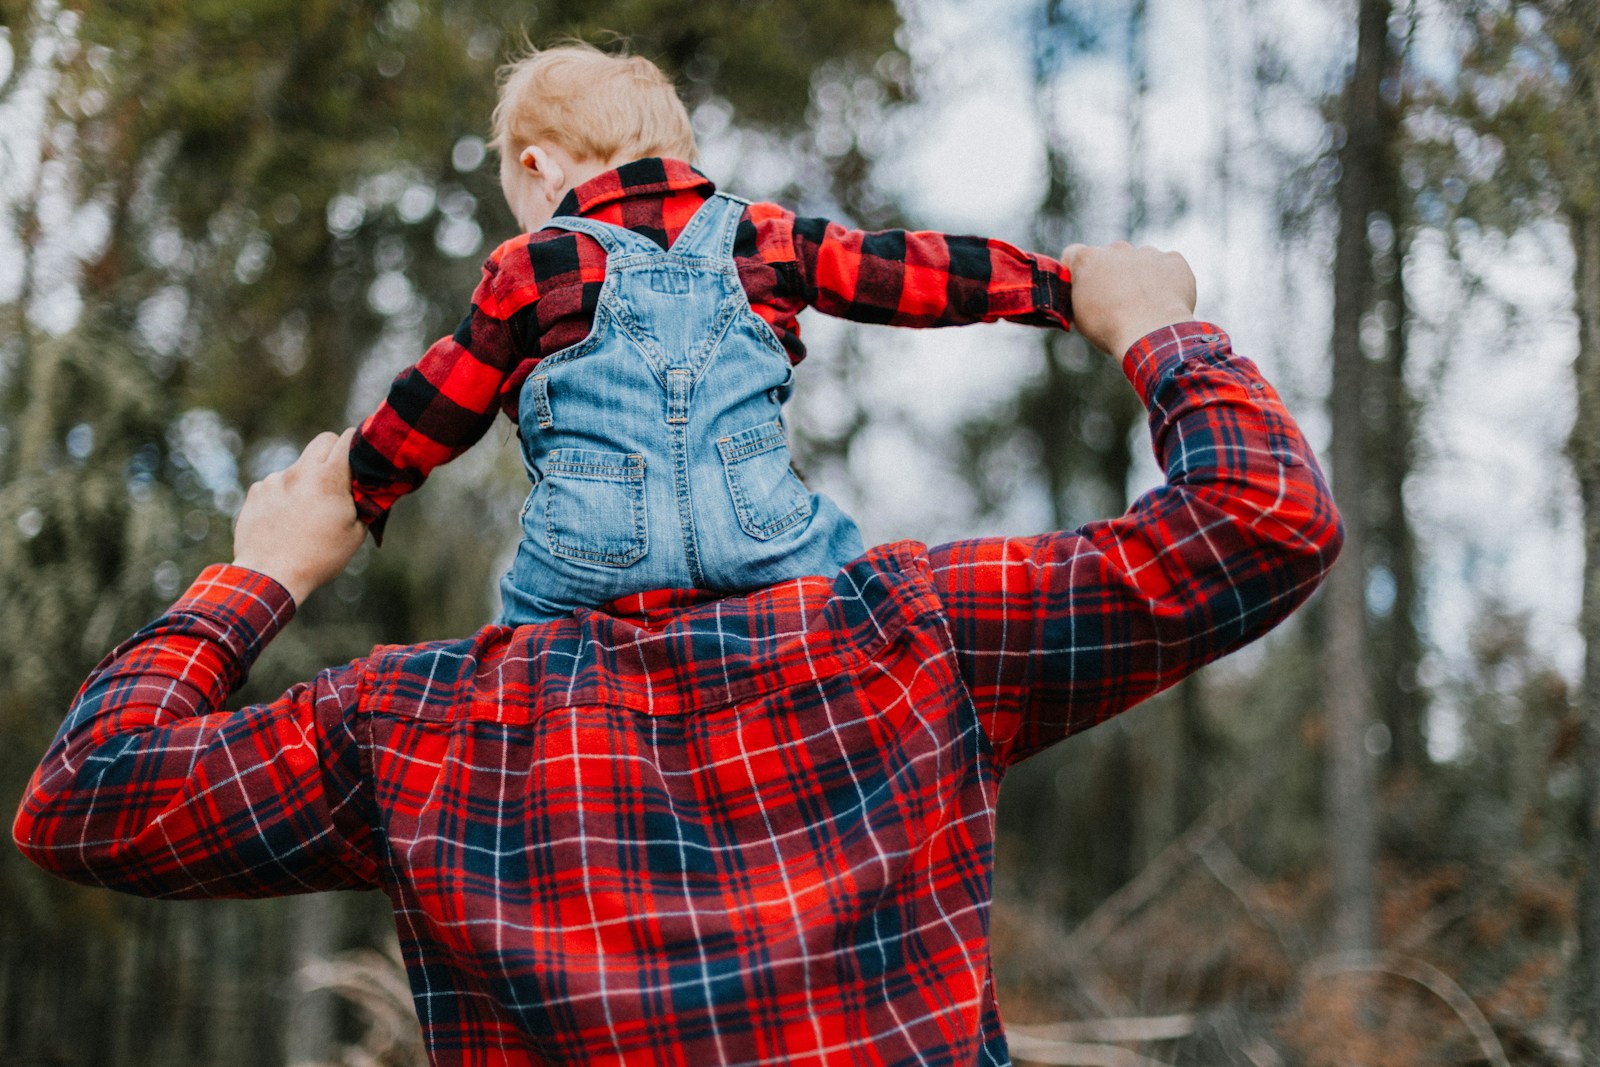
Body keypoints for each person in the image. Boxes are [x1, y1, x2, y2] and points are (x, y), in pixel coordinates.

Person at [14, 242, 1342, 1067]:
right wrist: (1144, 322)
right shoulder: (916, 634)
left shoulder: (418, 728)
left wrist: (262, 573)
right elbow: (1263, 520)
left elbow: (85, 798)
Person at [349, 42, 1075, 623]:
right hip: (773, 551)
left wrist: (359, 480)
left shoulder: (529, 267)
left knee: (511, 673)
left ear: (540, 167)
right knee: (877, 611)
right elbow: (905, 272)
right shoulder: (760, 239)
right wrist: (1046, 284)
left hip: (582, 572)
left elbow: (437, 402)